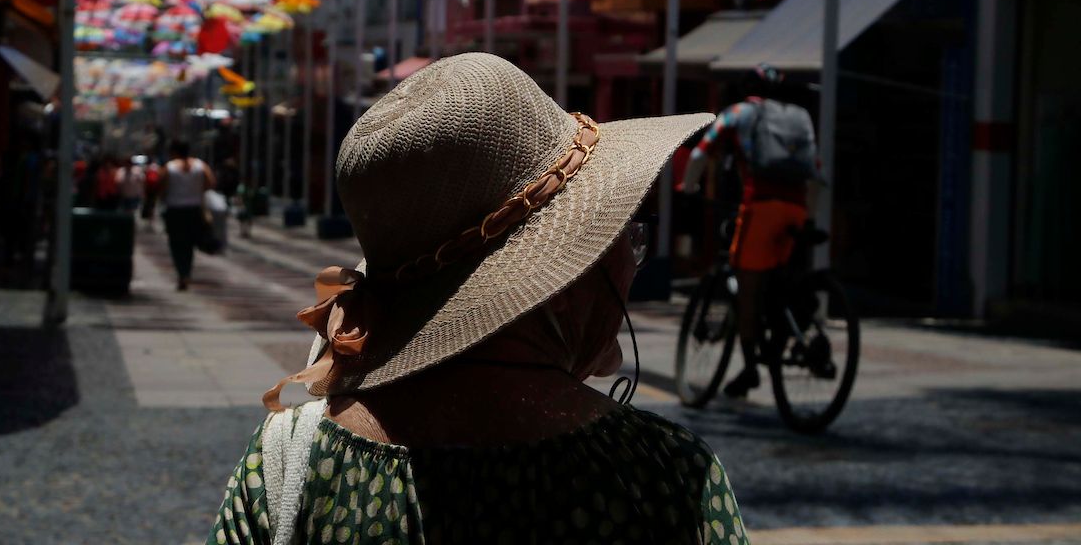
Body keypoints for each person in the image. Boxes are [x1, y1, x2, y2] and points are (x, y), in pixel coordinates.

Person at [207, 53, 748, 545]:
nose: (632, 260)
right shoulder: (663, 478)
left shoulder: (287, 466)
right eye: (621, 234)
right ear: (558, 282)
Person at [681, 63, 819, 399]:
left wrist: (688, 185)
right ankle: (781, 337)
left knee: (748, 288)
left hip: (761, 207)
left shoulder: (738, 113)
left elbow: (702, 150)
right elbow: (814, 169)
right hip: (798, 207)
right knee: (780, 284)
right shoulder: (796, 116)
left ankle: (750, 369)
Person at [159, 139, 214, 290]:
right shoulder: (200, 166)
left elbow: (162, 187)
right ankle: (187, 272)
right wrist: (196, 191)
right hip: (194, 209)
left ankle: (182, 273)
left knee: (177, 243)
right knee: (189, 243)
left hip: (175, 210)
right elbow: (210, 183)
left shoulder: (169, 167)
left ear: (174, 152)